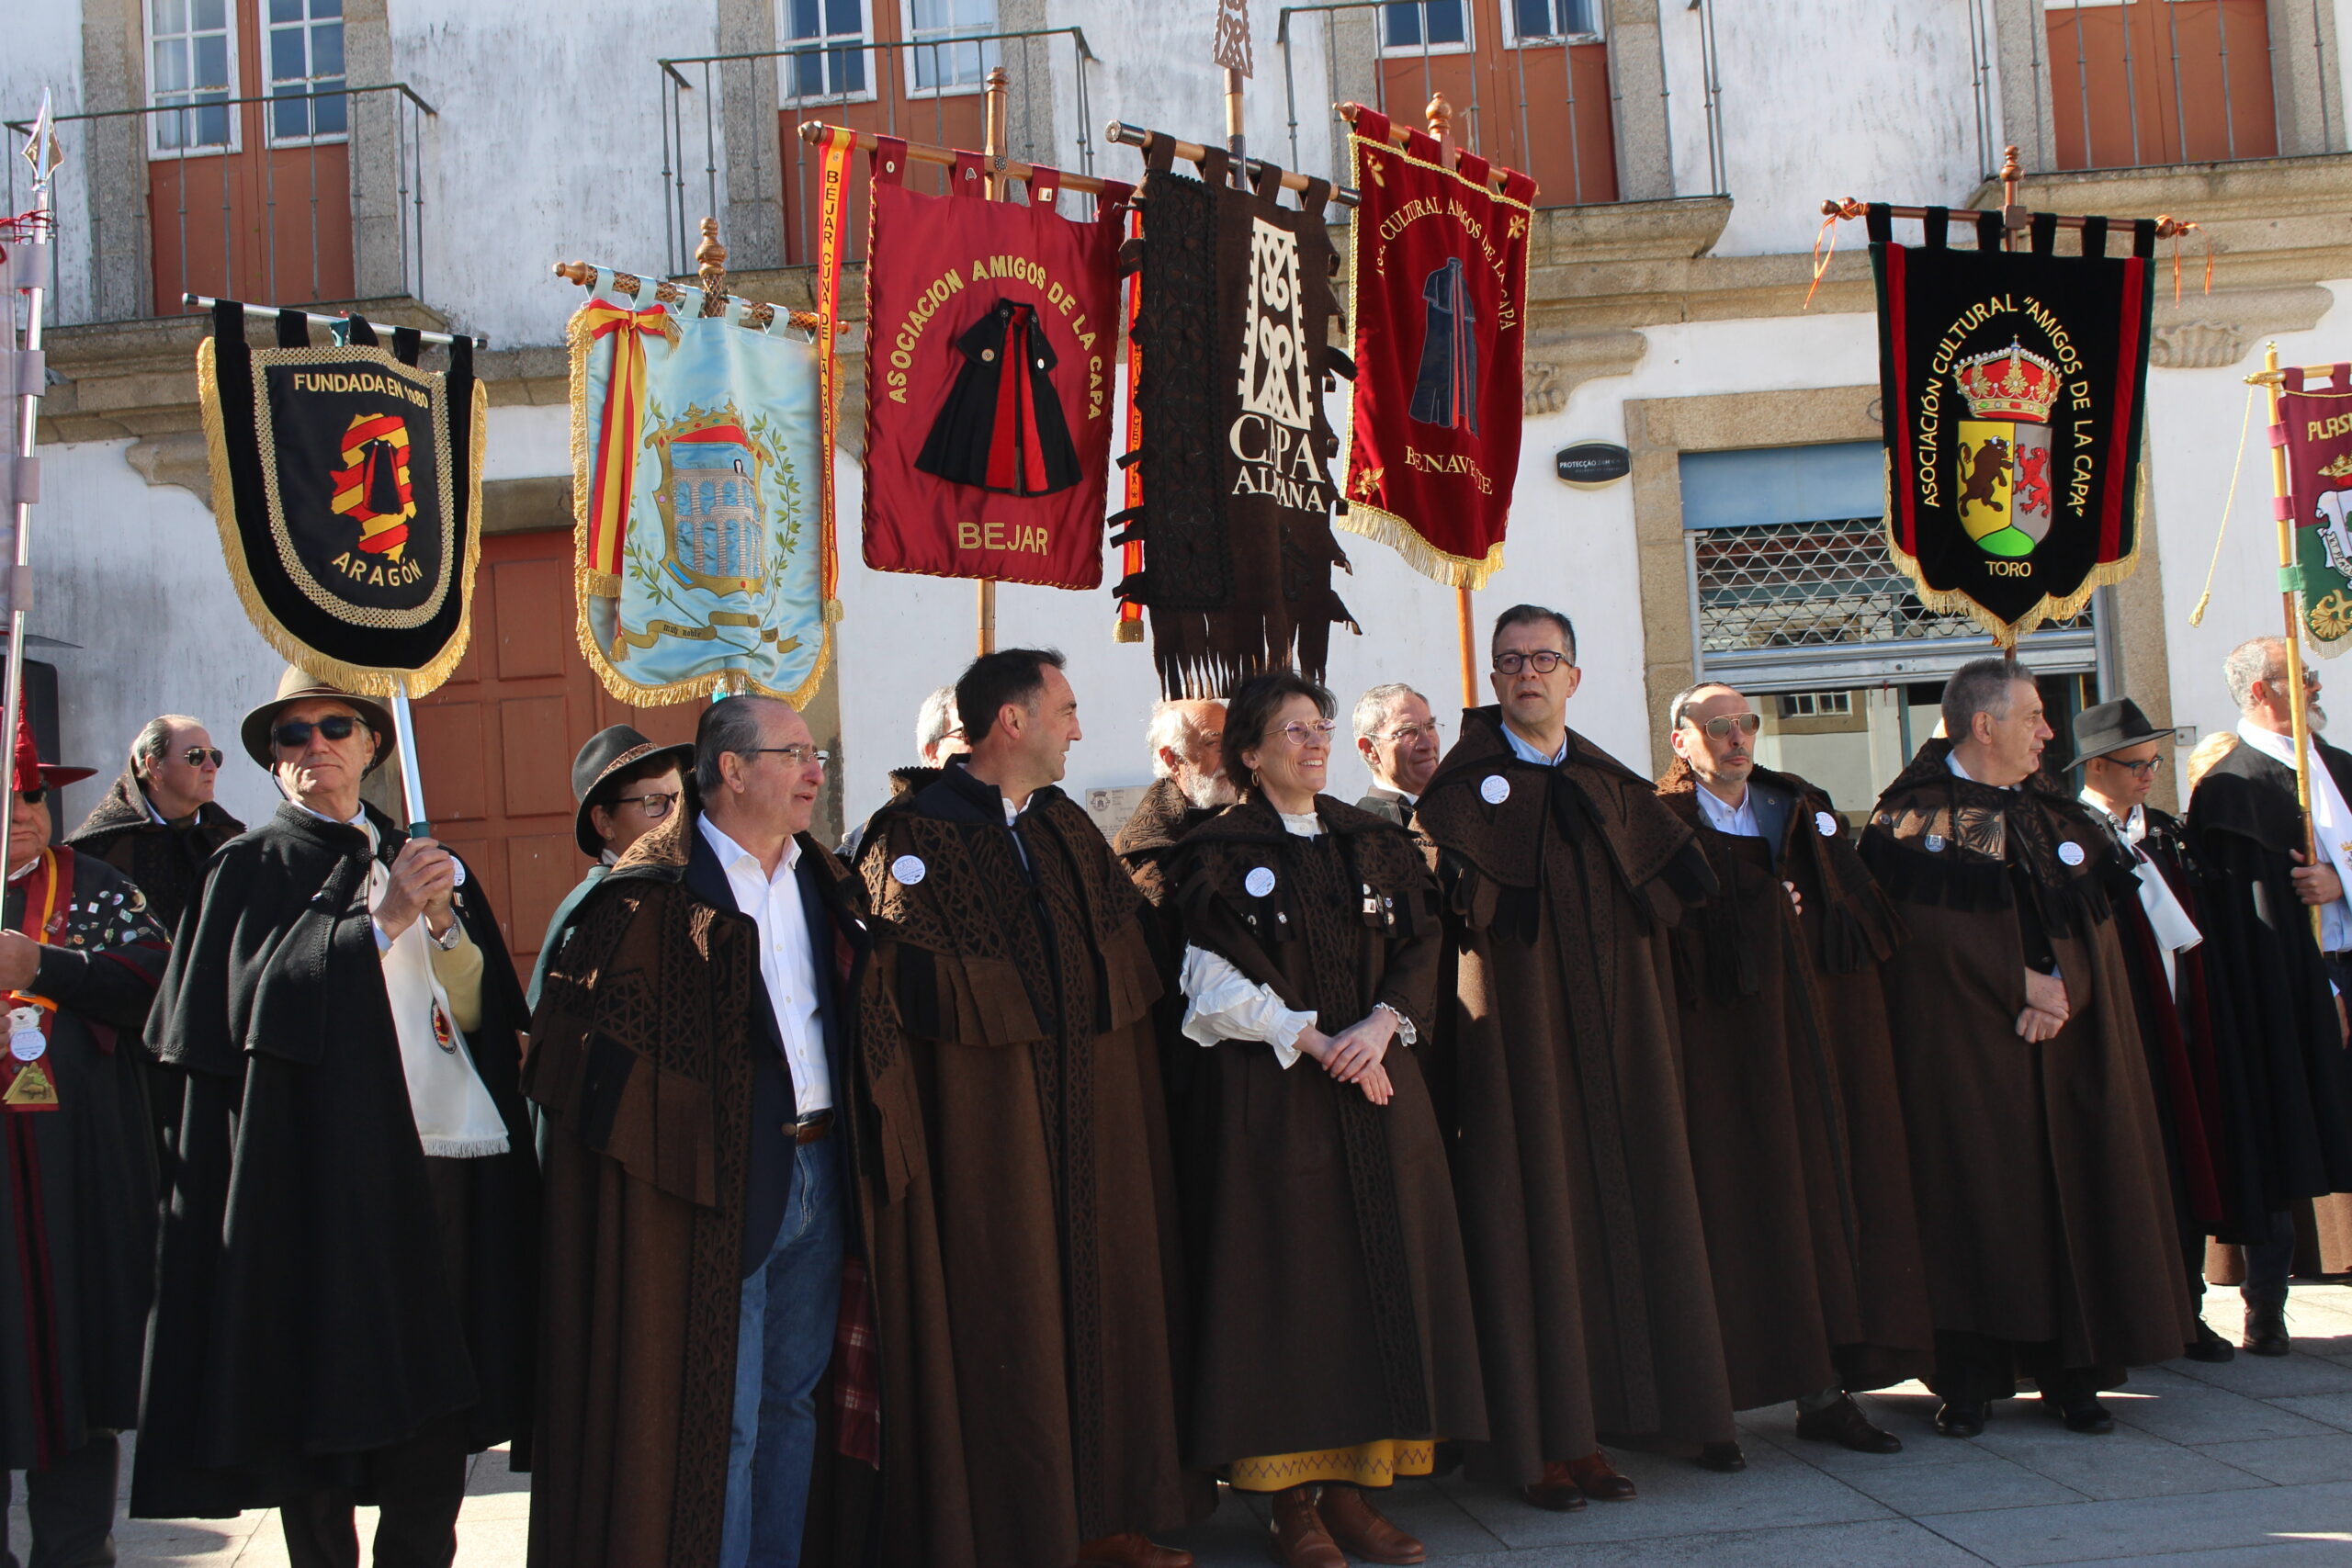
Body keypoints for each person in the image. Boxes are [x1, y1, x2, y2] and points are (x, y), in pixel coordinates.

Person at [134, 668, 540, 1568]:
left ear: (371, 744)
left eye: (334, 727)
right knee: (317, 1405)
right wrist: (381, 920)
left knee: (438, 1402)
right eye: (292, 735)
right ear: (275, 763)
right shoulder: (246, 868)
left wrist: (438, 924)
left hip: (438, 1159)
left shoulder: (419, 854)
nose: (314, 745)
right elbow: (250, 1019)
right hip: (318, 1180)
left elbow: (475, 1014)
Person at [852, 649, 1199, 1568]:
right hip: (984, 1149)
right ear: (1012, 722)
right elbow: (899, 1010)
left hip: (1096, 1135)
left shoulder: (1065, 826)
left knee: (1107, 1309)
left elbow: (1124, 962)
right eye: (1067, 710)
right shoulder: (905, 837)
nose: (1079, 729)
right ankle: (1020, 1535)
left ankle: (1108, 1517)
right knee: (1010, 1322)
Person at [527, 695, 869, 1568]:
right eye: (794, 754)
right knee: (727, 1415)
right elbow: (588, 1064)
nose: (815, 770)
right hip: (716, 1184)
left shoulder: (822, 878)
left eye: (811, 754)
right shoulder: (648, 894)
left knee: (794, 1403)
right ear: (732, 769)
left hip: (821, 1167)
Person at [1417, 605, 1740, 1509]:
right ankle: (1538, 1447)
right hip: (1516, 1058)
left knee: (1618, 1221)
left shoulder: (1611, 785)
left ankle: (1605, 1427)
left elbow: (1676, 905)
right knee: (1532, 1227)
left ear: (1573, 676)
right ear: (1493, 676)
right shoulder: (1452, 798)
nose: (1527, 673)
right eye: (1510, 660)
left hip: (1620, 1049)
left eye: (1544, 658)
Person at [1167, 671, 1486, 1568]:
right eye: (1293, 730)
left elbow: (1422, 944)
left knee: (1373, 1286)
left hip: (1381, 1094)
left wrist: (1381, 1026)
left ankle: (1353, 1495)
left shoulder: (1370, 840)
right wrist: (1318, 1044)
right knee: (1292, 1296)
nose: (1314, 742)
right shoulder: (1214, 851)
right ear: (1251, 752)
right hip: (1275, 1108)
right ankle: (1290, 1504)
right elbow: (1208, 978)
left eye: (1322, 726)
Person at [1861, 658, 2191, 1438]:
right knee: (1976, 1205)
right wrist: (2016, 980)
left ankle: (2074, 1374)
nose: (2050, 731)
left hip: (2071, 1052)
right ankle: (1970, 1378)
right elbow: (1909, 940)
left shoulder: (2059, 814)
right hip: (1968, 1058)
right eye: (2035, 716)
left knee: (2078, 1196)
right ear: (1984, 725)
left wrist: (2059, 988)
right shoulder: (1910, 817)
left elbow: (2099, 932)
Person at [1655, 682, 1933, 1453]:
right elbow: (1659, 930)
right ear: (1681, 741)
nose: (1736, 738)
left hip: (1809, 1043)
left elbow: (1857, 910)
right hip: (1718, 1056)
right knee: (1731, 1217)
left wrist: (1803, 908)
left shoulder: (1796, 807)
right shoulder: (1661, 823)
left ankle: (1825, 1395)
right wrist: (1752, 908)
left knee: (1812, 1205)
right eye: (1716, 727)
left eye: (1745, 723)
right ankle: (1709, 1411)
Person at [0, 708, 170, 1568]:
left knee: (77, 1362)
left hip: (80, 1177)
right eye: (9, 793)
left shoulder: (98, 886)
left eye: (34, 794)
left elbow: (153, 977)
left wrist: (47, 967)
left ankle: (75, 1551)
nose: (25, 808)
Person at [2186, 637, 2352, 1352]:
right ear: (2261, 690)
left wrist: (2340, 885)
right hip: (2282, 991)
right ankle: (2266, 1307)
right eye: (2301, 675)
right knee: (2281, 1129)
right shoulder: (2231, 788)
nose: (2315, 685)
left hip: (2348, 964)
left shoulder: (2337, 769)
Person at [2072, 698, 2234, 1363]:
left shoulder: (2164, 830)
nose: (2148, 774)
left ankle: (2188, 1306)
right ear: (2100, 766)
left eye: (2155, 761)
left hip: (2181, 1020)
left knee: (2184, 1162)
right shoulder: (2070, 833)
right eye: (2136, 764)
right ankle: (2130, 1312)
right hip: (2117, 1024)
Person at [523, 725, 692, 1010]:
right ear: (604, 822)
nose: (675, 817)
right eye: (655, 803)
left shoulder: (690, 885)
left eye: (679, 799)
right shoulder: (588, 912)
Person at [65, 713, 244, 931]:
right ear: (154, 766)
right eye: (195, 756)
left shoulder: (230, 839)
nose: (211, 767)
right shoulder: (100, 847)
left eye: (214, 756)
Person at [1113, 697, 1234, 916]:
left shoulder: (1263, 816)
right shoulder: (1143, 850)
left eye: (1232, 742)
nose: (1229, 755)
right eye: (1213, 742)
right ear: (1171, 759)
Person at [839, 685, 967, 861]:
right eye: (966, 733)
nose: (985, 745)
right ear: (932, 753)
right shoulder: (882, 834)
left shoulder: (1012, 820)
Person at [1351, 683, 1442, 828]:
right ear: (1369, 749)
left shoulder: (1460, 809)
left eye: (1429, 727)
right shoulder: (1363, 830)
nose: (1428, 745)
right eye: (1407, 732)